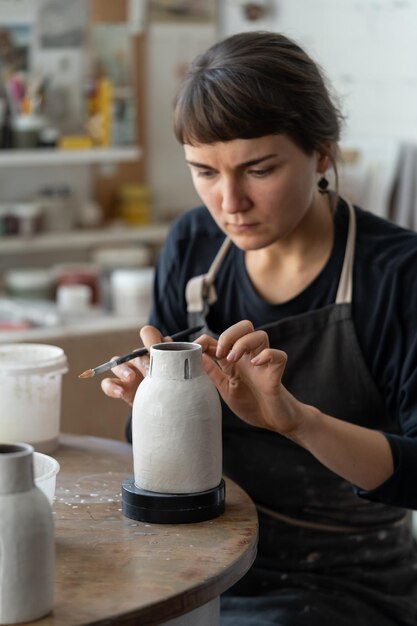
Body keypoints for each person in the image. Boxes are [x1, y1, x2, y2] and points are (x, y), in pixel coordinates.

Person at [101, 30, 417, 625]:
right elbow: (155, 457)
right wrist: (149, 398)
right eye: (204, 172)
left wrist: (297, 422)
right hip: (195, 552)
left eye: (259, 170)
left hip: (340, 576)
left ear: (321, 154)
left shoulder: (397, 275)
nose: (229, 203)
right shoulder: (193, 245)